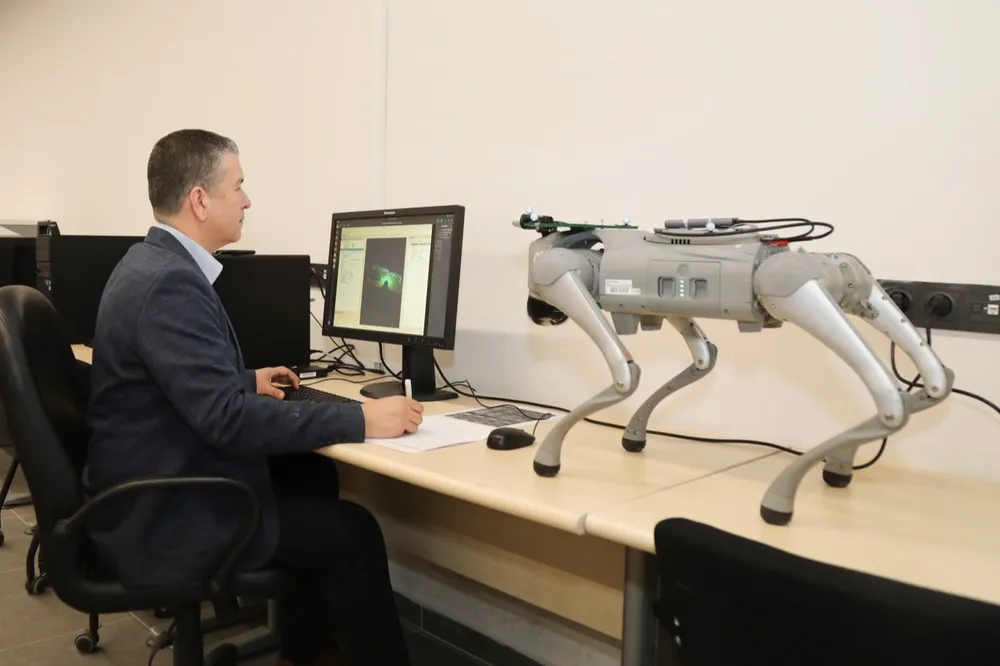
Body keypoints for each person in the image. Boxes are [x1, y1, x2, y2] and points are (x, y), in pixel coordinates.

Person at [83, 129, 420, 666]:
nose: (247, 200)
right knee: (353, 533)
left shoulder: (146, 263)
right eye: (238, 186)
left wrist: (244, 379)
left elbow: (176, 381)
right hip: (165, 516)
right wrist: (361, 419)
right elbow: (228, 421)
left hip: (148, 483)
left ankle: (302, 651)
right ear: (200, 200)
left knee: (312, 475)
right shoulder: (171, 284)